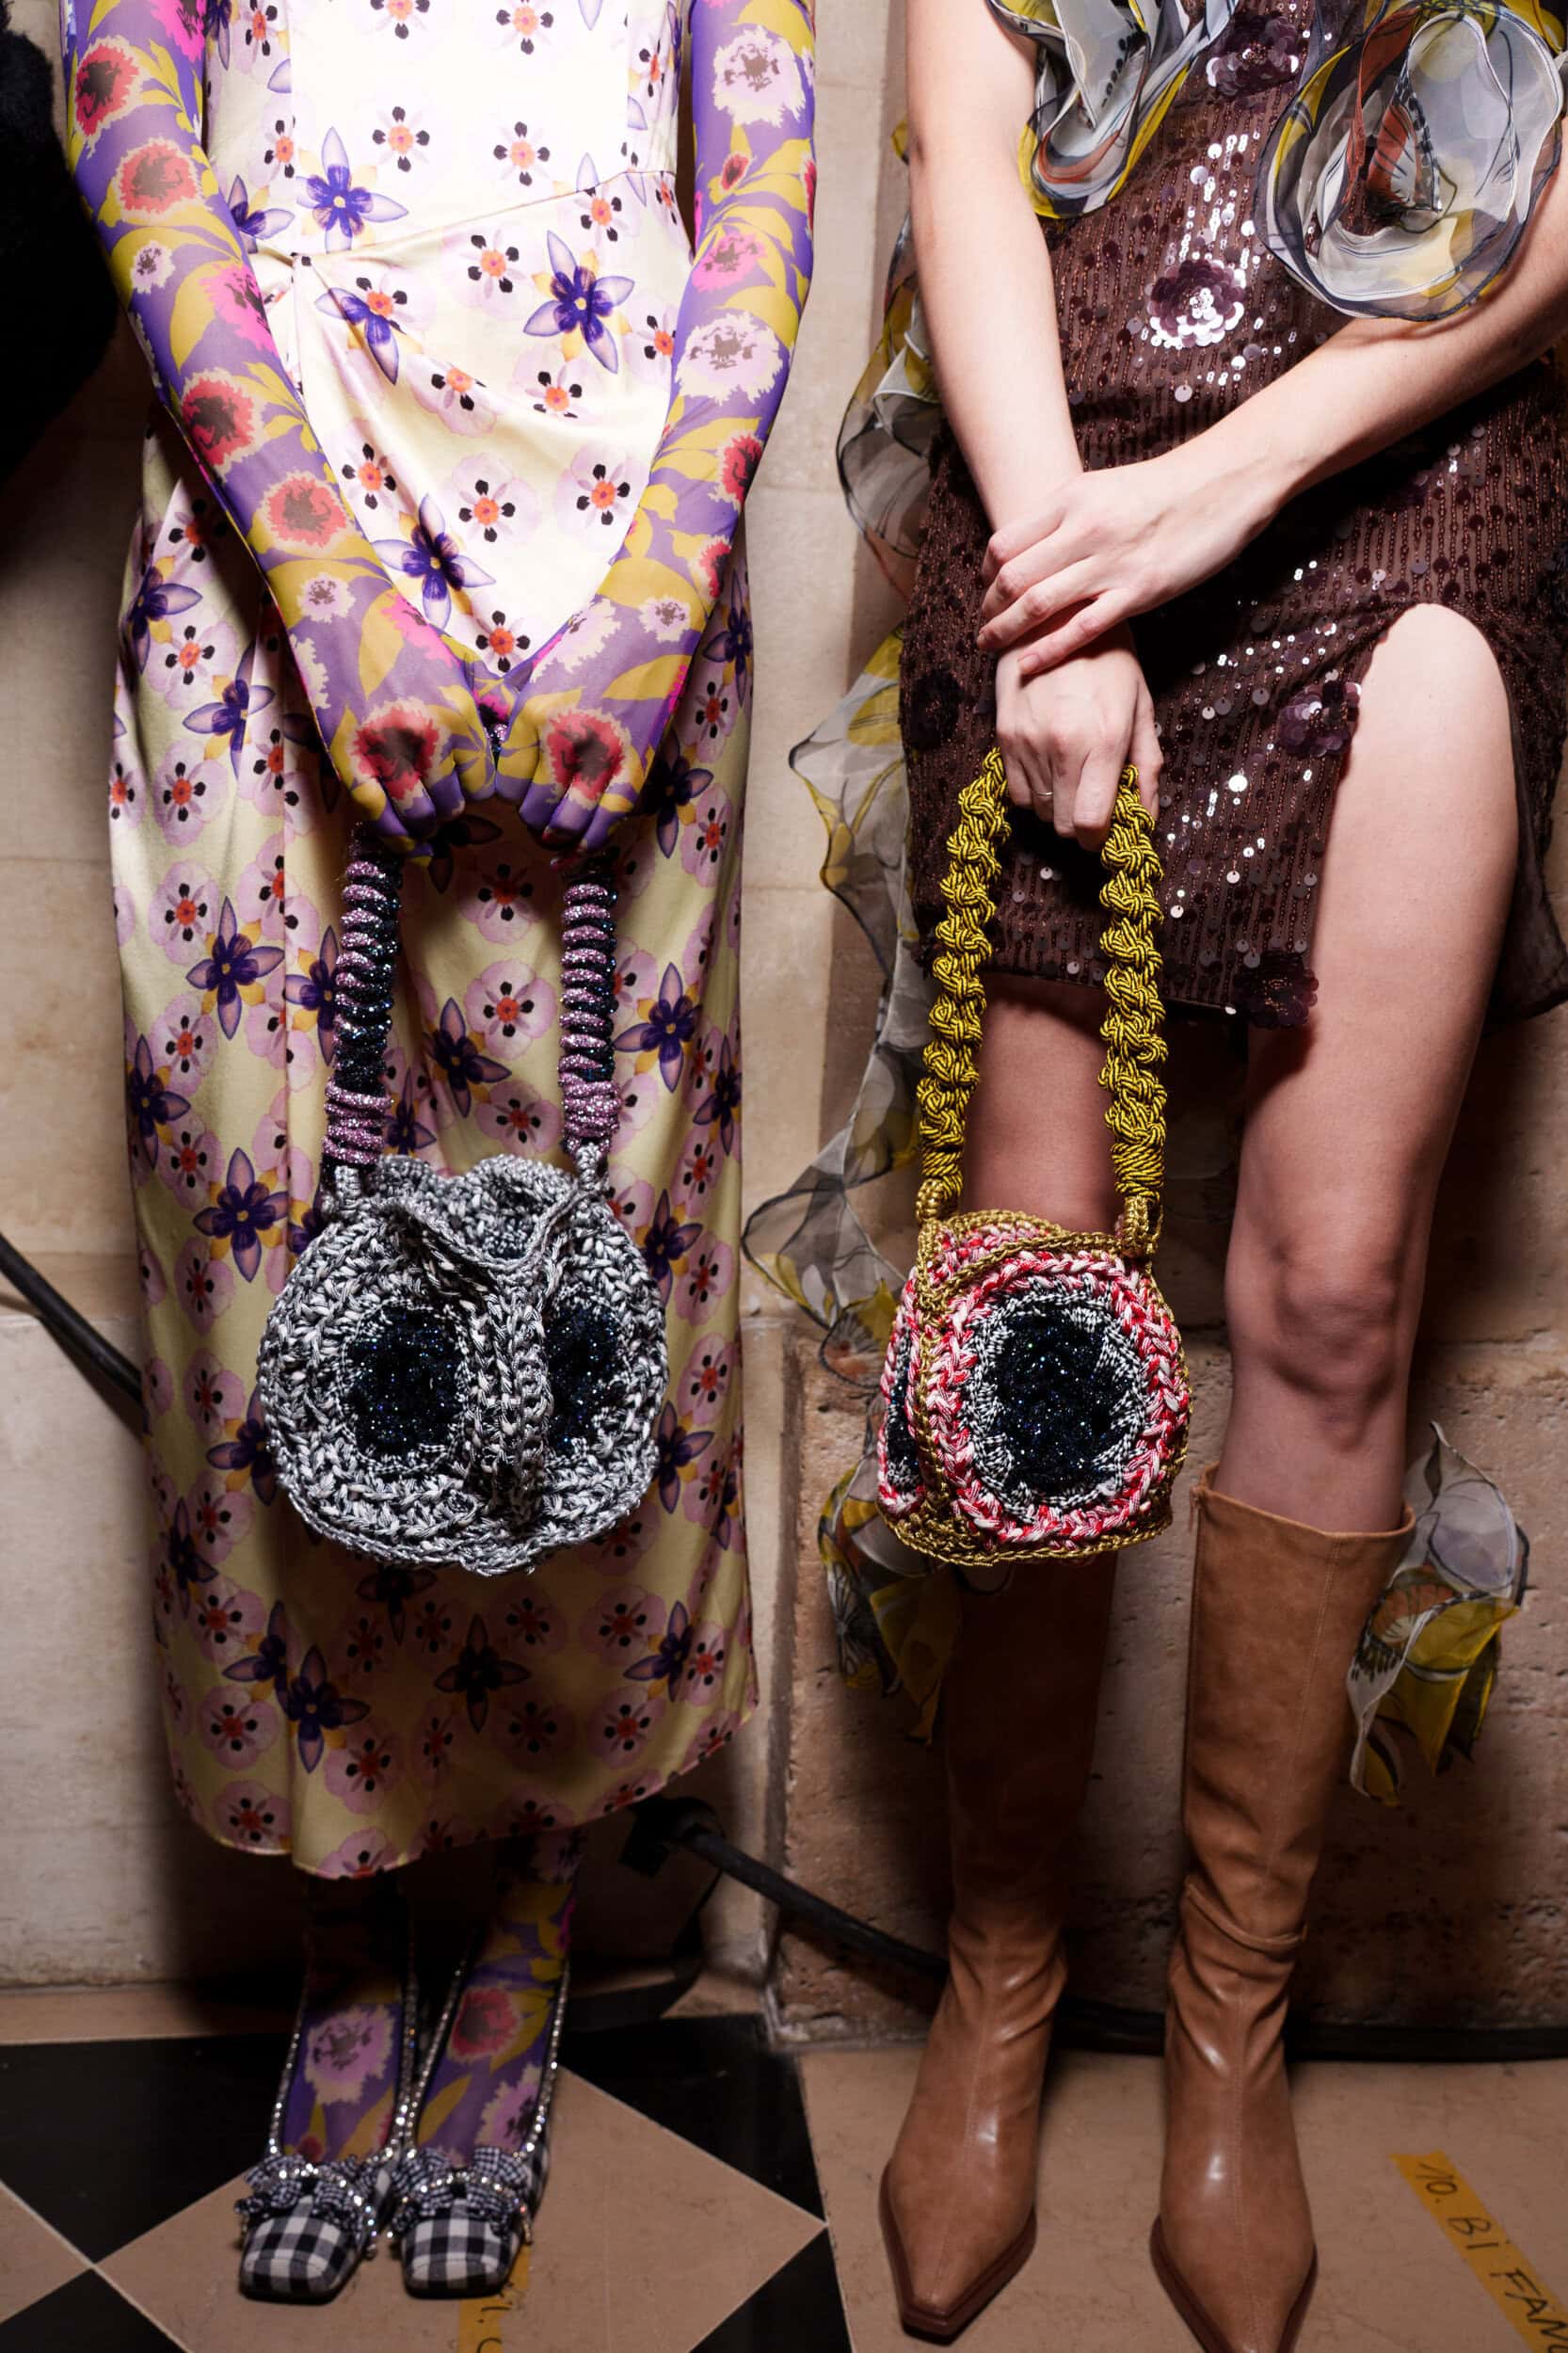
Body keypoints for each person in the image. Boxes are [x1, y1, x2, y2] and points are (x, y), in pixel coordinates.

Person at [825, 1, 1568, 2345]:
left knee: (1335, 1289)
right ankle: (999, 1976)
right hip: (1065, 476)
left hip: (1405, 462)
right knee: (1034, 1304)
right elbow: (959, 152)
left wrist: (1229, 484)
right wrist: (1071, 574)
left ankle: (1228, 2032)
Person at [62, 0, 813, 2303]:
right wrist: (313, 566)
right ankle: (345, 1920)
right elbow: (123, 95)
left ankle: (526, 1915)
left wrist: (666, 583)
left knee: (586, 1255)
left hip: (616, 551)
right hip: (273, 539)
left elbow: (761, 156)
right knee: (266, 1240)